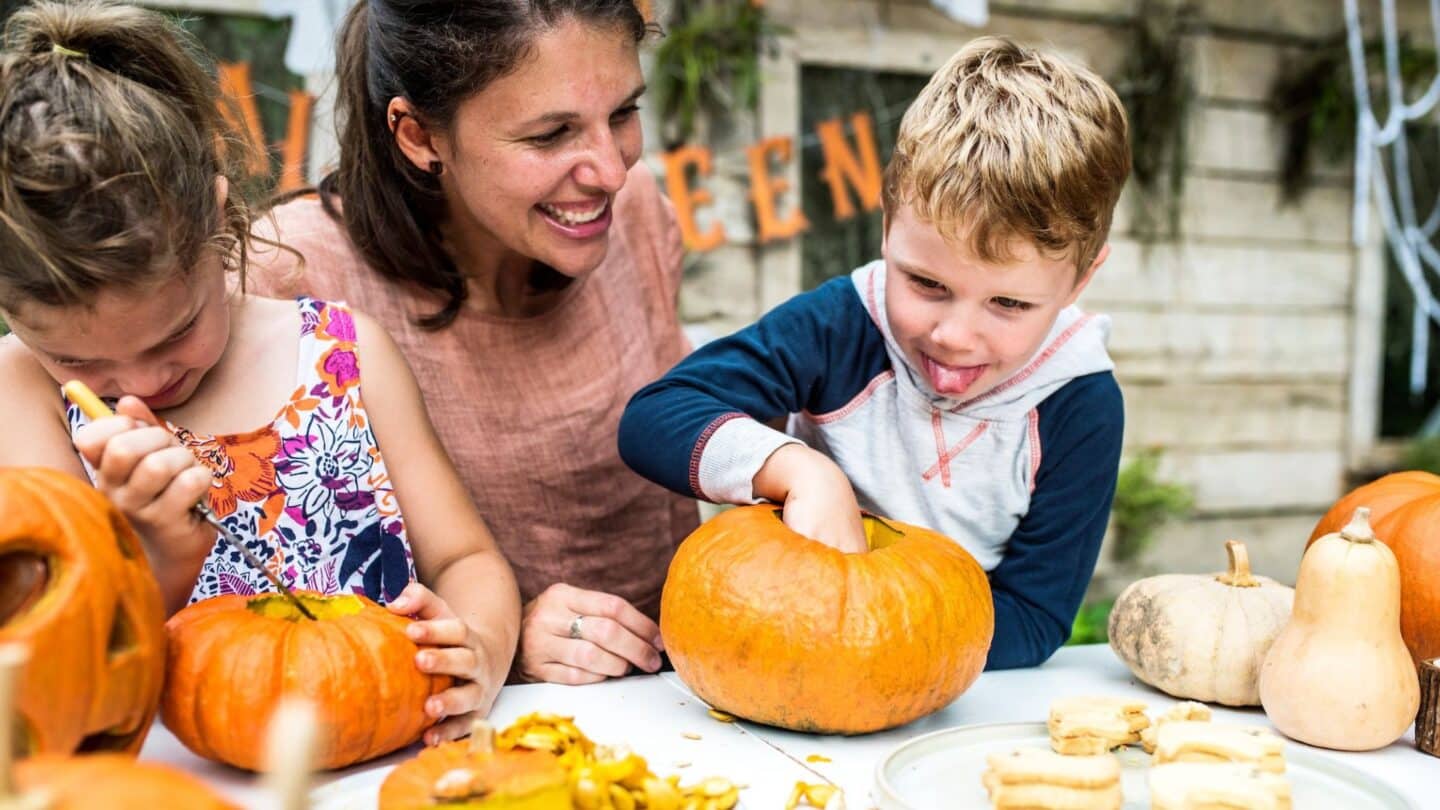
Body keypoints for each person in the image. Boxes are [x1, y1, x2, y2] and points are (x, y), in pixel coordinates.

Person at [0, 0, 519, 743]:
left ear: (219, 224)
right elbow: (52, 672)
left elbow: (466, 557)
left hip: (384, 762)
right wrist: (160, 552)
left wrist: (480, 645)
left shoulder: (343, 356)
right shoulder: (25, 397)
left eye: (175, 331)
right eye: (78, 361)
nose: (140, 384)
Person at [619, 36, 1131, 670]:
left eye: (1009, 305)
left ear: (1080, 281)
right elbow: (656, 416)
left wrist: (870, 642)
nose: (953, 335)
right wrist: (802, 470)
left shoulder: (1080, 404)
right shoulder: (842, 325)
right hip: (785, 645)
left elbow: (1034, 617)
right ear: (888, 229)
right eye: (927, 284)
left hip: (940, 691)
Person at [247, 0, 696, 685]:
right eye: (551, 134)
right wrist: (498, 636)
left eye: (624, 114)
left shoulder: (636, 214)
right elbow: (254, 612)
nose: (610, 170)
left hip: (690, 706)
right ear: (419, 135)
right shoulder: (289, 280)